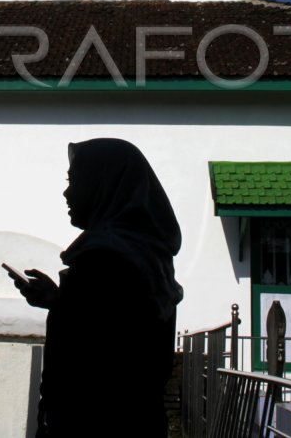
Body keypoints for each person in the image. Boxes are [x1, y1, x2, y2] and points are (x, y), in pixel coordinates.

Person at [14, 138, 183, 438]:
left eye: (75, 181)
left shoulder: (105, 259)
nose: (67, 193)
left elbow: (89, 362)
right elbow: (108, 325)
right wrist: (59, 300)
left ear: (103, 185)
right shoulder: (146, 253)